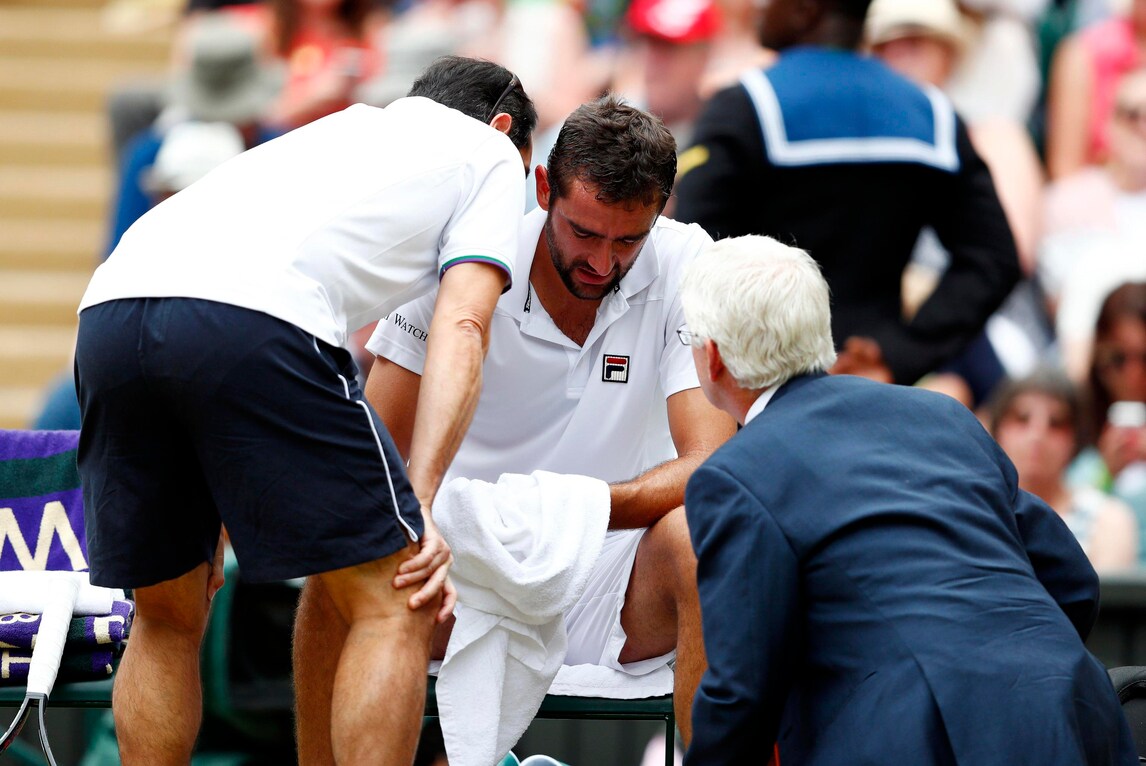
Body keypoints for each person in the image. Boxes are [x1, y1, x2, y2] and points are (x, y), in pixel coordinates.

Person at [73, 55, 538, 765]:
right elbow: (465, 322)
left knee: (166, 616)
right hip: (251, 317)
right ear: (503, 126)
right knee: (400, 596)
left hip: (111, 310)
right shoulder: (491, 153)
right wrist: (420, 500)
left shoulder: (336, 132)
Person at [292, 94, 737, 764]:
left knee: (706, 535)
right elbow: (375, 454)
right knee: (342, 561)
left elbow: (709, 462)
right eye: (584, 233)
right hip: (460, 565)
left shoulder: (687, 260)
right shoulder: (462, 254)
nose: (603, 263)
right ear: (542, 190)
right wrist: (461, 524)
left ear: (662, 212)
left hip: (611, 577)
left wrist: (570, 511)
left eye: (628, 241)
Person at [677, 233, 1138, 765]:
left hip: (919, 740)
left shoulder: (736, 475)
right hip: (1076, 715)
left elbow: (741, 692)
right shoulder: (940, 415)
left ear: (713, 356)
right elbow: (1072, 581)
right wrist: (1022, 672)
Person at [672, 0, 1021, 388]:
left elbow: (693, 252)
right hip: (871, 384)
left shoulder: (745, 105)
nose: (758, 6)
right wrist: (899, 353)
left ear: (806, 9)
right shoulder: (932, 114)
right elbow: (994, 259)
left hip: (761, 386)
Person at [988, 369, 1139, 571]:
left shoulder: (1107, 520)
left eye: (1056, 423)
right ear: (997, 429)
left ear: (1076, 438)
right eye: (1022, 418)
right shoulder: (977, 512)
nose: (1037, 434)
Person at [1068, 281, 1146, 564]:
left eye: (1145, 357)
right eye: (1118, 358)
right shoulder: (1073, 419)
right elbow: (1060, 511)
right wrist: (1104, 473)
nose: (1133, 374)